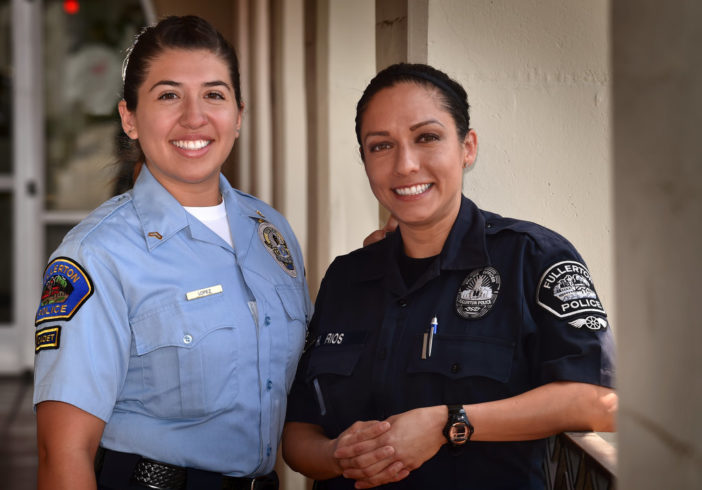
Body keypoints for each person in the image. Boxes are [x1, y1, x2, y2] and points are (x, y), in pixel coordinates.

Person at [282, 63, 616, 489]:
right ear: (364, 160)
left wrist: (451, 422)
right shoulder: (347, 277)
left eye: (427, 138)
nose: (405, 165)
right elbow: (298, 434)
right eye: (381, 146)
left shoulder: (530, 258)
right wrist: (338, 456)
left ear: (467, 147)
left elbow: (600, 401)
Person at [33, 16, 311, 490]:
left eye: (214, 95)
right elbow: (62, 455)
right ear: (130, 118)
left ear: (238, 116)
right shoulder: (96, 255)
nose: (194, 117)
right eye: (168, 95)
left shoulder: (273, 233)